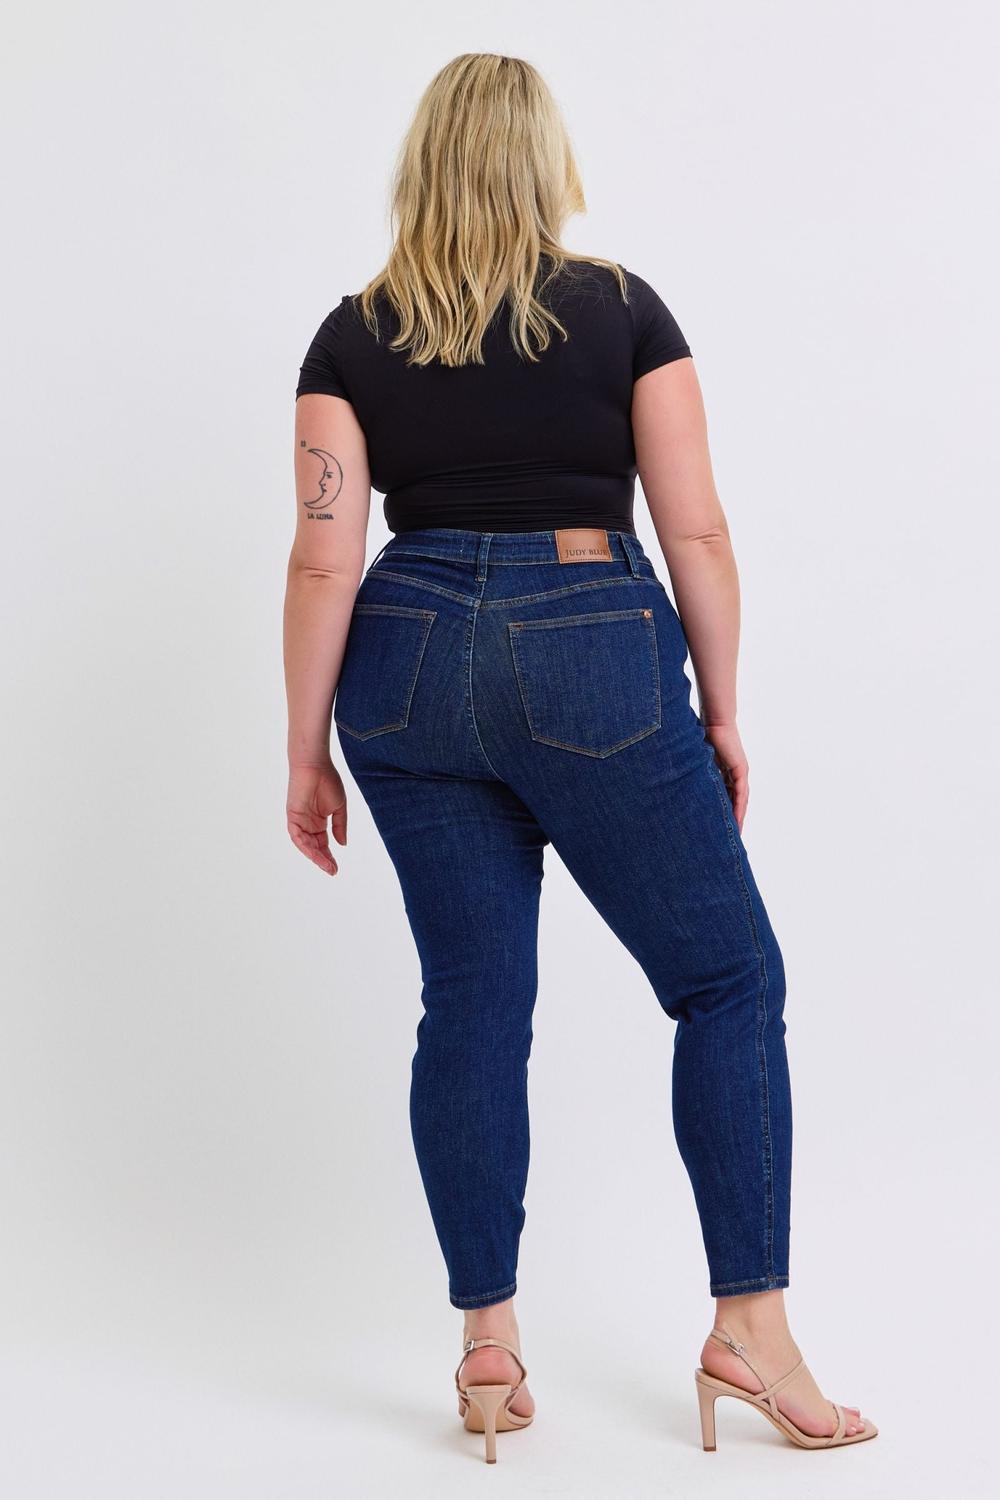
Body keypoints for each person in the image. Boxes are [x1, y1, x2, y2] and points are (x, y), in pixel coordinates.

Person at [284, 52, 877, 1464]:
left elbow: (322, 558)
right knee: (727, 979)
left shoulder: (351, 335)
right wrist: (720, 707)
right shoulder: (620, 309)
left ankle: (488, 1343)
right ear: (546, 163)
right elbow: (698, 528)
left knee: (474, 1004)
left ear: (422, 165)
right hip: (588, 641)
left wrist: (304, 751)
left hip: (404, 659)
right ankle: (752, 1330)